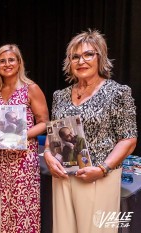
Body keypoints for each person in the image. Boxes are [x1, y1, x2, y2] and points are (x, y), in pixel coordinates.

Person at [43, 29, 137, 233]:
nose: (81, 61)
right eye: (75, 56)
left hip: (97, 177)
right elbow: (53, 137)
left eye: (88, 54)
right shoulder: (59, 95)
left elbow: (128, 140)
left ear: (100, 57)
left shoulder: (118, 92)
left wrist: (102, 169)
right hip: (63, 176)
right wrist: (48, 156)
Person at [0, 44, 49, 233]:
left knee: (24, 207)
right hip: (1, 159)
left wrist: (21, 135)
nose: (6, 64)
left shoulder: (31, 89)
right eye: (1, 61)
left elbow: (44, 123)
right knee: (4, 205)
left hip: (24, 159)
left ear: (19, 62)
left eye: (11, 59)